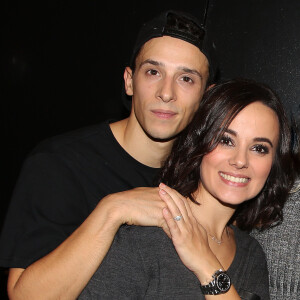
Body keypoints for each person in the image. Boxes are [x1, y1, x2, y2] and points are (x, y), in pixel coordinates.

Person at [0, 10, 218, 299]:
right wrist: (113, 211)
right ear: (129, 81)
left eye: (186, 79)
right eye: (153, 72)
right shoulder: (60, 164)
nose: (166, 93)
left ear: (206, 97)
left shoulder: (204, 179)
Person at [78, 78, 298, 299]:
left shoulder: (252, 254)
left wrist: (206, 264)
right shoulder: (145, 239)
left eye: (259, 148)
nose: (240, 160)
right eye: (225, 140)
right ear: (199, 142)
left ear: (273, 164)